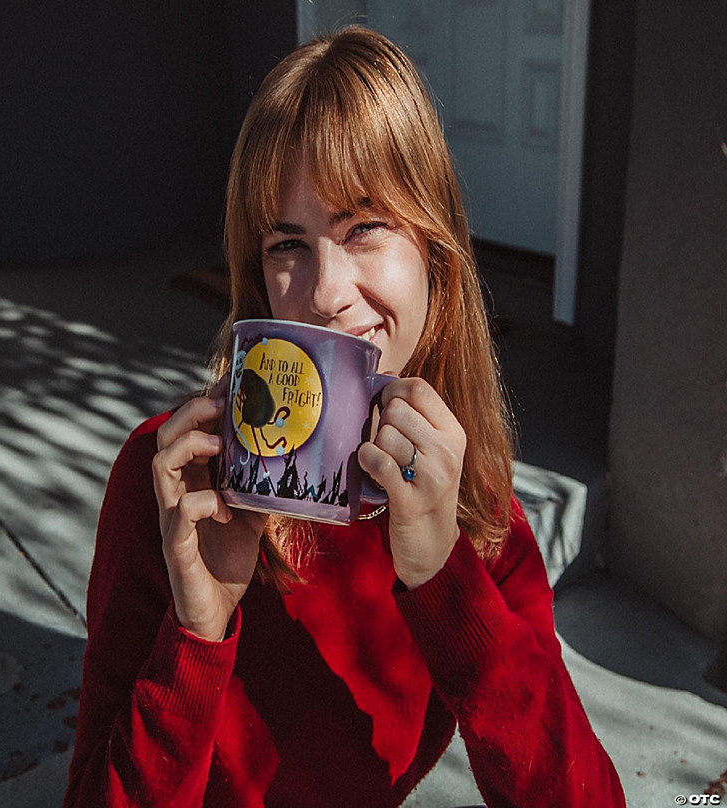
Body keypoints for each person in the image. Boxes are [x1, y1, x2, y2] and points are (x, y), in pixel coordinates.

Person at [65, 26, 626, 808]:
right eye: (287, 243)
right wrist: (196, 632)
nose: (325, 291)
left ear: (435, 257)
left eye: (364, 226)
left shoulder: (474, 506)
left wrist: (442, 577)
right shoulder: (175, 489)